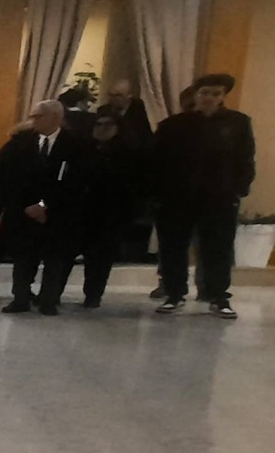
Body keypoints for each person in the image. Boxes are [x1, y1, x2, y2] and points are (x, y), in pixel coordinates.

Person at [153, 73, 255, 318]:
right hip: (178, 197)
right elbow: (157, 161)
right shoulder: (173, 125)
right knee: (173, 247)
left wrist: (238, 188)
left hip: (219, 197)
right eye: (204, 93)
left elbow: (245, 158)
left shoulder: (238, 123)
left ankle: (218, 296)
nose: (209, 98)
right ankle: (174, 294)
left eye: (215, 93)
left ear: (223, 96)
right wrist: (158, 193)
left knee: (218, 248)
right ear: (196, 95)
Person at [0, 101, 88, 315]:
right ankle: (20, 298)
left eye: (39, 116)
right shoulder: (20, 142)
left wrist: (44, 205)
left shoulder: (75, 145)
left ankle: (48, 300)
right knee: (22, 257)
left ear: (55, 117)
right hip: (22, 210)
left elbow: (78, 180)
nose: (33, 121)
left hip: (56, 212)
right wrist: (25, 204)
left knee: (54, 258)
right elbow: (3, 174)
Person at [78, 112, 140, 308]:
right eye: (98, 124)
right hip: (83, 210)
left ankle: (93, 294)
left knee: (101, 258)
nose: (102, 129)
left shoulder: (127, 153)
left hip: (112, 213)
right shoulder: (84, 149)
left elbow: (133, 185)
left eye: (108, 125)